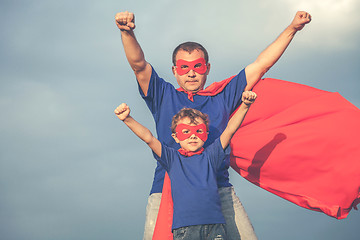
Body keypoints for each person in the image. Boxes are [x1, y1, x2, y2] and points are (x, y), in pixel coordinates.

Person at [115, 10, 311, 240]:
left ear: (207, 68)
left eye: (197, 67)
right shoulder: (163, 95)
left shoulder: (222, 97)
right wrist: (126, 32)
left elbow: (261, 65)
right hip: (166, 191)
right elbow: (139, 66)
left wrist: (292, 28)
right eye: (184, 68)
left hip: (219, 192)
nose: (191, 74)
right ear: (174, 71)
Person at [114, 91, 257, 240]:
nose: (193, 136)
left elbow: (229, 130)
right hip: (185, 229)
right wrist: (127, 119)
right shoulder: (172, 158)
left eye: (198, 131)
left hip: (215, 227)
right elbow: (148, 138)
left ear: (206, 135)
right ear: (175, 137)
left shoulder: (211, 156)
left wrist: (245, 105)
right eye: (186, 132)